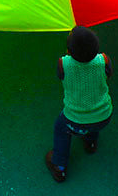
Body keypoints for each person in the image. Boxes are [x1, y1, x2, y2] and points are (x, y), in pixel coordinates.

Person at [45, 26, 113, 183]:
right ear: (96, 48)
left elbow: (60, 76)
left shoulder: (63, 63)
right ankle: (90, 143)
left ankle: (59, 167)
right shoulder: (103, 60)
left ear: (69, 51)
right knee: (92, 124)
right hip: (104, 115)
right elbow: (109, 74)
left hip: (74, 119)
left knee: (61, 129)